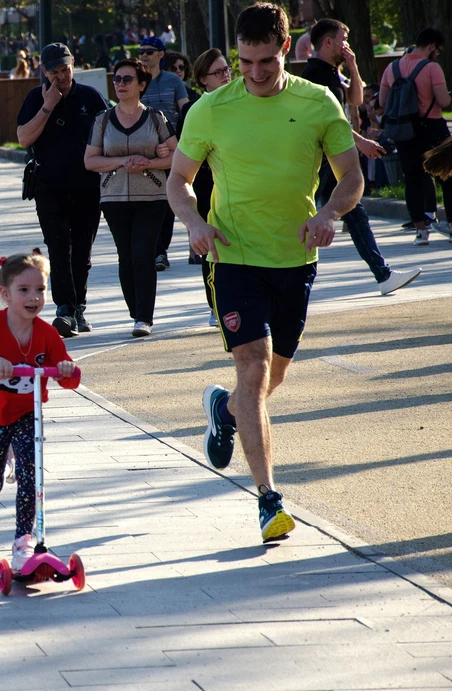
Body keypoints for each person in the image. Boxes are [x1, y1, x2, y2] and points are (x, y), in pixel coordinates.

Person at [168, 3, 362, 542]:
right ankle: (268, 499)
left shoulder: (318, 101)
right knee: (253, 369)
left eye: (267, 62)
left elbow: (352, 177)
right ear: (237, 54)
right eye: (246, 62)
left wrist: (329, 213)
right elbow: (178, 179)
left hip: (295, 259)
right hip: (231, 255)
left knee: (271, 378)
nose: (255, 74)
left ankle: (221, 409)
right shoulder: (211, 108)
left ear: (287, 50)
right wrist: (193, 221)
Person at [0, 251, 79, 572]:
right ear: (6, 294)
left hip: (29, 414)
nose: (34, 297)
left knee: (32, 476)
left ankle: (24, 541)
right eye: (24, 290)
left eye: (40, 290)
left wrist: (68, 370)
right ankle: (5, 455)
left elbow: (67, 376)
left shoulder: (47, 333)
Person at [301, 19, 421, 294]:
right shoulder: (316, 75)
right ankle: (383, 274)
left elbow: (355, 101)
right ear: (328, 42)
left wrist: (353, 67)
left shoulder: (331, 73)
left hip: (330, 156)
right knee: (350, 212)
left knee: (353, 214)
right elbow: (326, 123)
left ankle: (383, 274)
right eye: (343, 38)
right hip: (323, 157)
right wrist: (361, 141)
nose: (347, 45)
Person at [16, 43, 108, 337]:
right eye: (54, 71)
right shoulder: (36, 97)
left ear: (73, 66)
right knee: (58, 248)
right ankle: (64, 309)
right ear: (43, 71)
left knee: (82, 252)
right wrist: (48, 106)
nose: (61, 76)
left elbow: (110, 133)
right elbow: (23, 138)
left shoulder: (90, 97)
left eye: (65, 69)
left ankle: (79, 306)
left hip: (87, 187)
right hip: (49, 187)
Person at [85, 59, 177, 338]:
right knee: (125, 256)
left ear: (142, 84)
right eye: (117, 80)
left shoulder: (156, 118)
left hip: (152, 197)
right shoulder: (102, 120)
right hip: (113, 199)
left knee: (143, 254)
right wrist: (124, 160)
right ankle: (135, 310)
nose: (120, 84)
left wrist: (148, 163)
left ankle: (144, 318)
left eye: (127, 79)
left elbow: (178, 156)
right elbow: (90, 161)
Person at [379, 27, 452, 245]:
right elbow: (444, 102)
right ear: (431, 46)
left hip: (404, 130)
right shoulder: (432, 68)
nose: (437, 54)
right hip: (433, 128)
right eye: (437, 50)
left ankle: (420, 231)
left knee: (412, 179)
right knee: (447, 176)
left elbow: (383, 102)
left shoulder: (392, 68)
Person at [177, 48, 232, 327]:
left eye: (227, 70)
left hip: (234, 185)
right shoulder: (192, 110)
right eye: (218, 72)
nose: (225, 76)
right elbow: (182, 152)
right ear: (202, 79)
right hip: (203, 185)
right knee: (210, 248)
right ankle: (214, 305)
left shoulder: (241, 103)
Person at [138, 36, 189, 272]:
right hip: (142, 150)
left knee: (167, 203)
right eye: (142, 52)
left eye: (149, 51)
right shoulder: (136, 81)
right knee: (148, 201)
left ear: (161, 54)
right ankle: (153, 249)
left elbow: (185, 112)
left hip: (171, 149)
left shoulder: (173, 81)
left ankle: (161, 250)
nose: (144, 55)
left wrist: (179, 143)